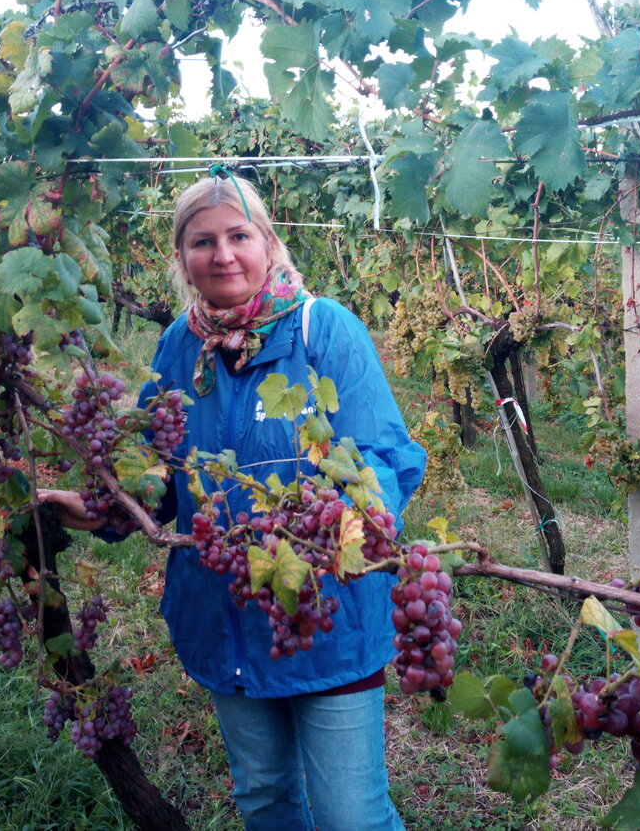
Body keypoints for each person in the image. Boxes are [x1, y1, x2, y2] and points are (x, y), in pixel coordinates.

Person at [40, 172, 425, 831]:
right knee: (265, 799)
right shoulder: (178, 347)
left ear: (267, 243)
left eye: (238, 235)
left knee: (350, 817)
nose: (222, 255)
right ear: (183, 258)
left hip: (326, 610)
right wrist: (100, 509)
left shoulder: (322, 331)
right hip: (225, 614)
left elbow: (382, 461)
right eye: (202, 241)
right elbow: (160, 470)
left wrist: (343, 535)